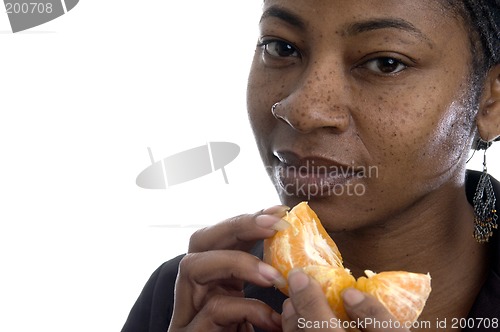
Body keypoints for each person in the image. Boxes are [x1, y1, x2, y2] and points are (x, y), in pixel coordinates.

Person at [122, 1, 500, 331]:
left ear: (491, 103)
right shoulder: (189, 298)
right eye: (281, 47)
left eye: (385, 63)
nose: (302, 110)